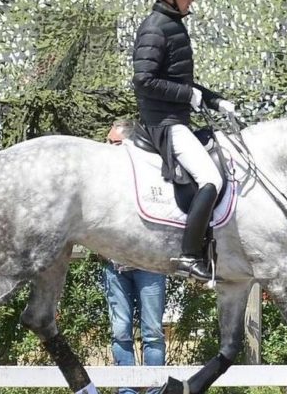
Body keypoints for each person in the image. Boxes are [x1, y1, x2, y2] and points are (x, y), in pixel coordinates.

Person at [132, 0, 235, 281]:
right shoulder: (156, 27)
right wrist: (187, 95)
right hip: (164, 123)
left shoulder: (172, 24)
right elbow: (143, 79)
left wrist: (215, 101)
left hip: (176, 118)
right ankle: (189, 256)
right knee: (210, 179)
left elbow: (180, 80)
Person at [104, 122, 167, 394]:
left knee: (152, 333)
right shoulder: (103, 182)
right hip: (115, 266)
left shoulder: (150, 175)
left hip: (149, 265)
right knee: (120, 332)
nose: (108, 148)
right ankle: (126, 391)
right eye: (107, 142)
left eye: (115, 143)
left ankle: (154, 391)